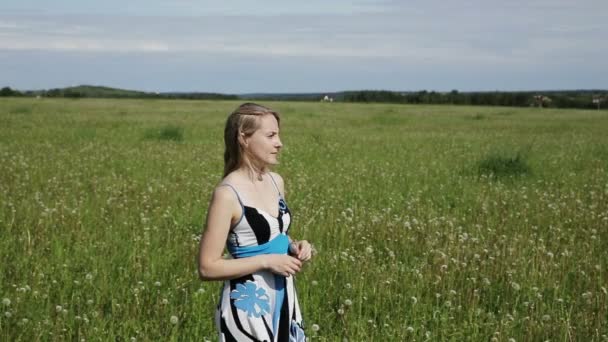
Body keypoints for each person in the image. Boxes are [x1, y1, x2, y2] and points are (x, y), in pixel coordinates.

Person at [198, 103, 312, 342]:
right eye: (271, 135)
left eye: (278, 135)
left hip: (284, 296)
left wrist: (294, 245)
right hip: (250, 304)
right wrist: (266, 261)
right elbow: (207, 267)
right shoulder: (227, 194)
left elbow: (271, 234)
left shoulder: (276, 181)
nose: (279, 143)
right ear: (244, 138)